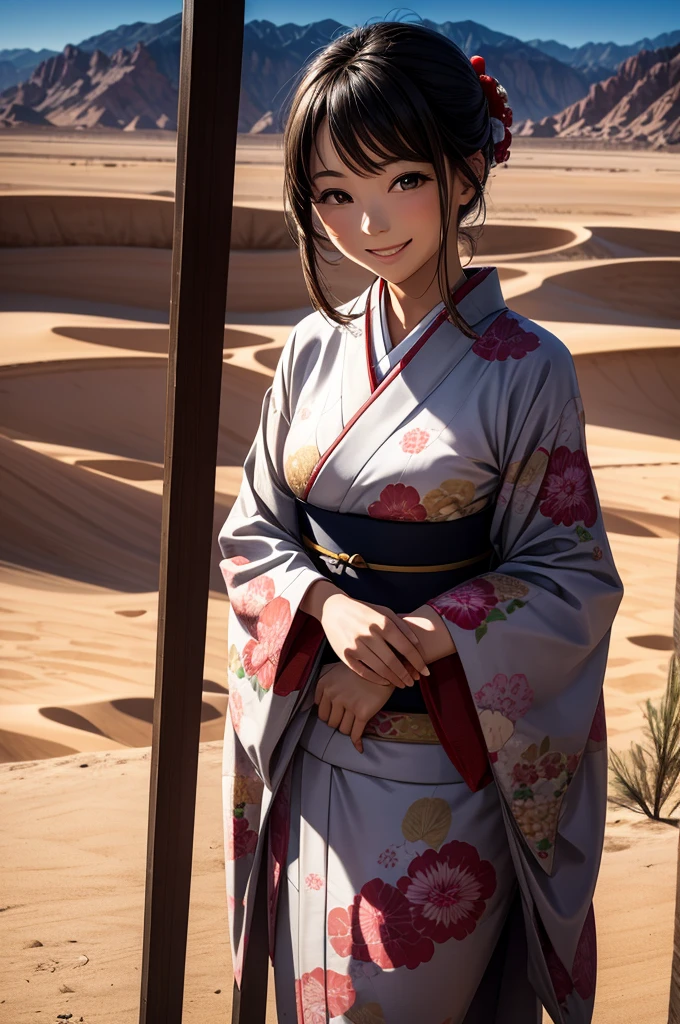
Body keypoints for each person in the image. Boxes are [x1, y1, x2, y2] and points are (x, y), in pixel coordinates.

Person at [218, 21, 623, 1024]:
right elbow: (252, 530)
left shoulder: (529, 368)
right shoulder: (308, 352)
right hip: (307, 748)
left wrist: (403, 647)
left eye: (397, 179)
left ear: (463, 167)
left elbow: (567, 575)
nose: (366, 224)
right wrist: (323, 608)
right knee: (306, 997)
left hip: (435, 773)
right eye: (333, 194)